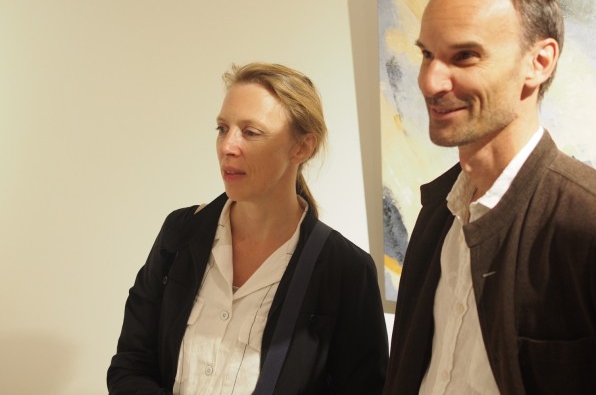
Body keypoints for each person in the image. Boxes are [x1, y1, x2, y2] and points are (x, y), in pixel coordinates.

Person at [384, 0, 596, 394]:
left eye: (465, 56)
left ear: (538, 63)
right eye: (427, 54)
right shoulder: (437, 212)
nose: (429, 82)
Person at [108, 62, 388, 394]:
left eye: (250, 132)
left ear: (302, 147)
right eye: (222, 128)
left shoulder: (346, 270)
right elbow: (131, 364)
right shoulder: (180, 234)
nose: (227, 146)